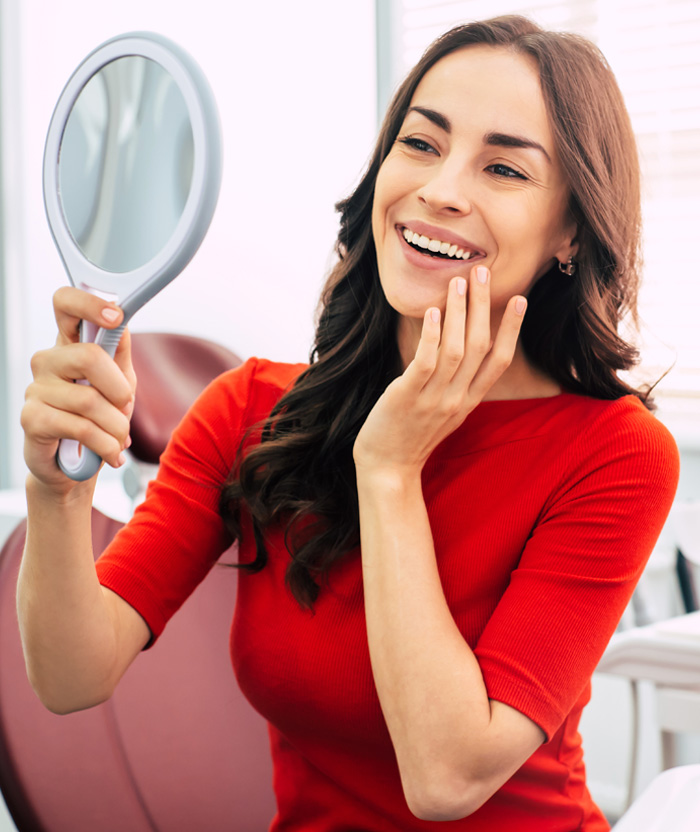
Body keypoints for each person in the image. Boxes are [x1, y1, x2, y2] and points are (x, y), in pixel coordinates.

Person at [18, 15, 679, 832]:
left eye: (503, 166)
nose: (441, 189)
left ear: (571, 233)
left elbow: (444, 779)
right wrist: (54, 494)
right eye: (421, 143)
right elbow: (68, 678)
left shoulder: (615, 454)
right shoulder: (248, 410)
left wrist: (392, 470)